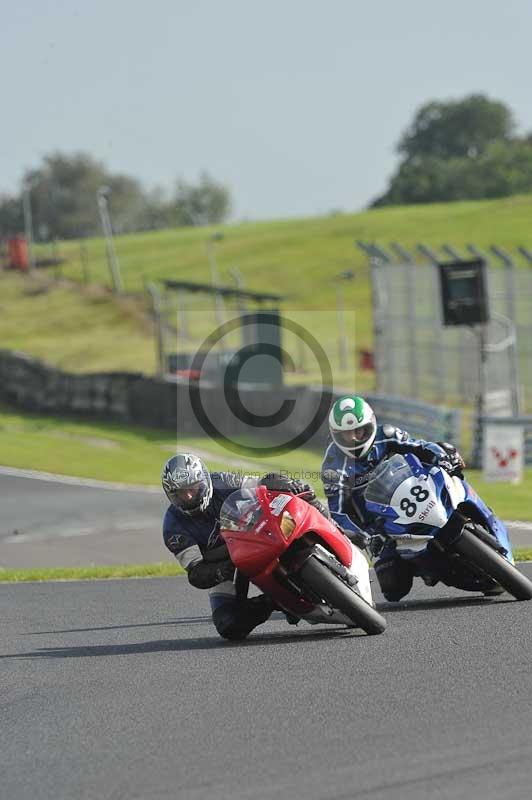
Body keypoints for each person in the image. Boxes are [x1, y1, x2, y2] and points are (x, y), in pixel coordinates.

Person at [162, 453, 329, 641]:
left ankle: (333, 531)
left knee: (301, 490)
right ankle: (276, 601)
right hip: (227, 562)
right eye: (180, 494)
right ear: (170, 495)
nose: (189, 496)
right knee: (228, 625)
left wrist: (284, 484)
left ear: (204, 481)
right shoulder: (173, 528)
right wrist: (223, 570)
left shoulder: (224, 481)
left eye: (192, 488)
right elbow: (196, 572)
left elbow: (262, 484)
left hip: (255, 533)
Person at [321, 395, 466, 602]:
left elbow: (421, 447)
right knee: (393, 589)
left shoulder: (387, 434)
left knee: (448, 454)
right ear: (335, 435)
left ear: (370, 425)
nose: (353, 438)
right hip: (382, 527)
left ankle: (477, 515)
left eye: (359, 431)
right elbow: (338, 513)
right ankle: (428, 568)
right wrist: (366, 536)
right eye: (346, 435)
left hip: (417, 494)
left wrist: (443, 458)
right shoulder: (333, 468)